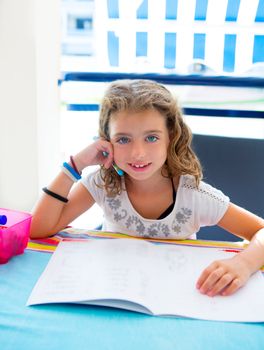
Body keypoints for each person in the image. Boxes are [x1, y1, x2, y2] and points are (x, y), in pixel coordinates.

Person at [30, 79, 264, 298]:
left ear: (171, 137)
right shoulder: (102, 184)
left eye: (151, 138)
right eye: (123, 139)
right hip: (116, 293)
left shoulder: (195, 196)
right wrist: (74, 166)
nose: (138, 153)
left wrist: (244, 264)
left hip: (177, 295)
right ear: (106, 141)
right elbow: (38, 229)